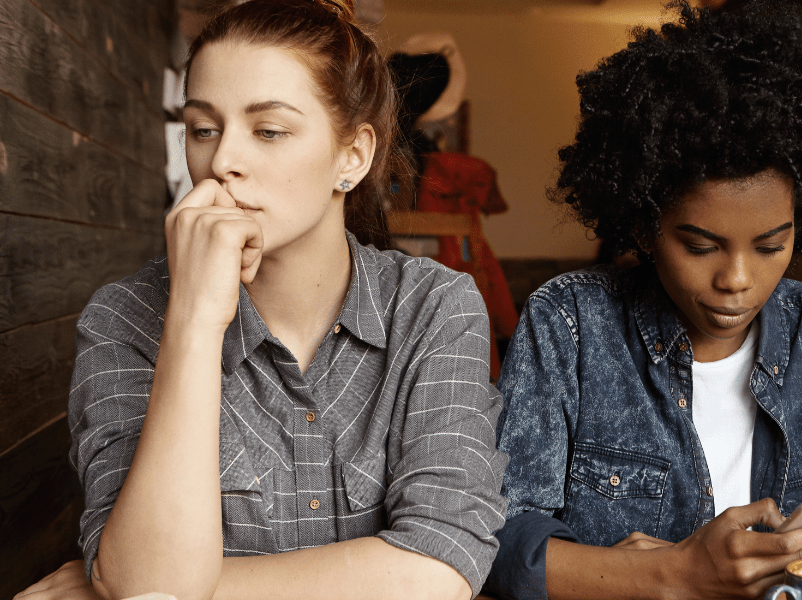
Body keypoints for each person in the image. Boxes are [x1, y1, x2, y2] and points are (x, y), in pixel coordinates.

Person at [16, 1, 506, 599]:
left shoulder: (434, 305)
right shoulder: (122, 318)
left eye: (268, 130)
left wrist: (177, 588)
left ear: (352, 156)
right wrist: (194, 320)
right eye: (202, 129)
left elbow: (443, 567)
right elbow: (148, 583)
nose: (221, 162)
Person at [484, 2, 802, 599]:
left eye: (770, 245)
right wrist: (671, 574)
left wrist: (785, 554)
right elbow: (495, 539)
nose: (737, 279)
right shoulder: (569, 325)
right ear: (644, 225)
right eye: (700, 246)